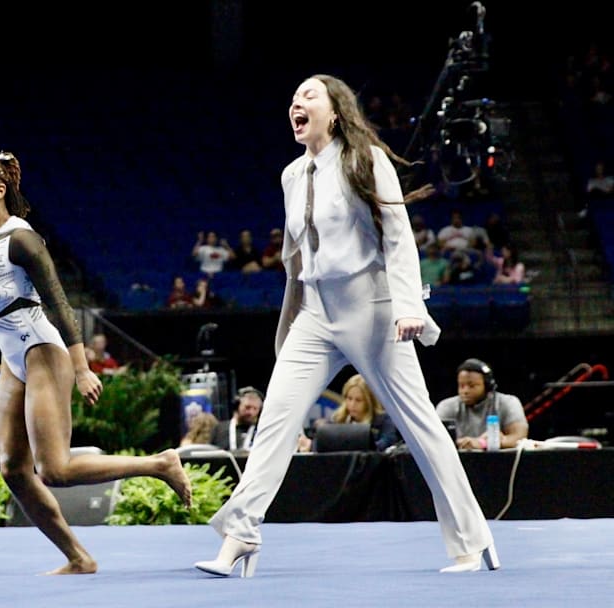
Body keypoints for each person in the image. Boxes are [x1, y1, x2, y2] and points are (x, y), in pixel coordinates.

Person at [194, 75, 498, 578]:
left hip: (373, 310)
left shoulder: (366, 159)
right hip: (315, 313)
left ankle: (471, 542)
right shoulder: (293, 174)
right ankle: (240, 537)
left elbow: (397, 236)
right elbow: (296, 257)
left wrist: (408, 306)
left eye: (309, 95)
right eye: (293, 97)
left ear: (335, 112)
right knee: (275, 423)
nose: (297, 102)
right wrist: (291, 316)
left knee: (420, 426)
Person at [0, 108, 190, 574]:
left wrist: (82, 367)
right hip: (13, 357)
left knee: (55, 470)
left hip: (44, 350)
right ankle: (78, 558)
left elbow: (60, 301)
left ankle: (161, 464)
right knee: (13, 471)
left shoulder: (20, 239)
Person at [435, 359, 528, 450]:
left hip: (499, 462)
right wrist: (463, 443)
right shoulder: (446, 406)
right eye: (461, 385)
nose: (465, 391)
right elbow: (433, 438)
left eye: (472, 386)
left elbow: (519, 438)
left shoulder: (508, 402)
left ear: (487, 386)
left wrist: (484, 443)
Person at [210, 386, 262, 451]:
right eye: (247, 407)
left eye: (255, 409)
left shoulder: (261, 431)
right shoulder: (219, 430)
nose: (251, 412)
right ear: (237, 406)